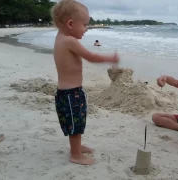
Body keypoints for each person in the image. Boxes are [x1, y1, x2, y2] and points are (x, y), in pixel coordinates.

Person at [51, 0, 119, 165]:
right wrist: (109, 58)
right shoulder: (70, 41)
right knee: (75, 124)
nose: (86, 29)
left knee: (76, 123)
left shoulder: (60, 38)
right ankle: (75, 154)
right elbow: (91, 56)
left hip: (66, 93)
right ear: (70, 24)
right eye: (85, 25)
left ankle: (77, 147)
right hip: (70, 94)